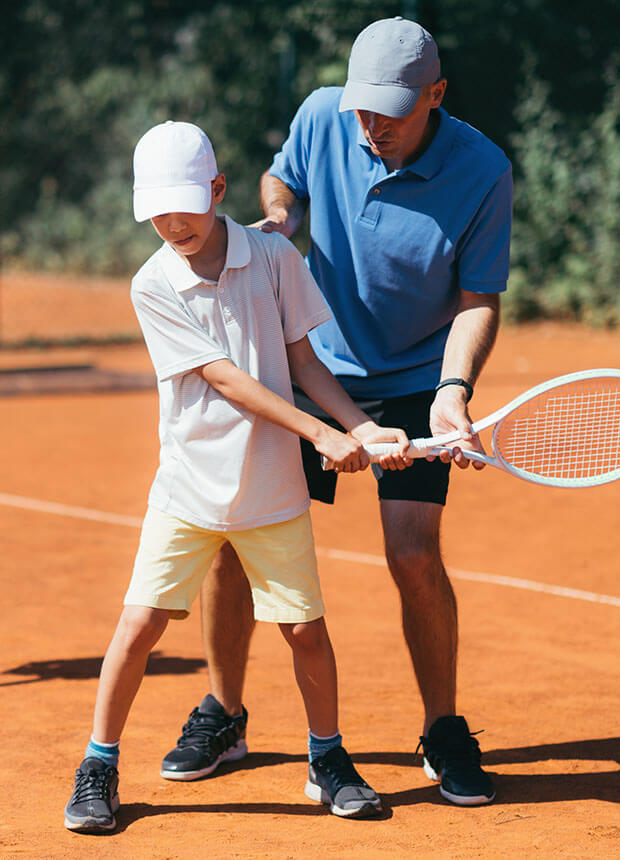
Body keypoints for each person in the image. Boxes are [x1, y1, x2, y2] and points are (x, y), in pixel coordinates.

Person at [160, 18, 512, 807]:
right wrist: (281, 221)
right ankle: (225, 709)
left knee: (413, 554)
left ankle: (443, 727)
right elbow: (282, 181)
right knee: (233, 536)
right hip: (309, 363)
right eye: (361, 107)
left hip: (420, 374)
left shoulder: (483, 169)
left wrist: (454, 390)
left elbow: (478, 299)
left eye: (389, 109)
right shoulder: (325, 113)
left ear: (437, 95)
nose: (369, 124)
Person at [63, 120, 411, 832]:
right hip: (188, 486)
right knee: (141, 624)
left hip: (273, 488)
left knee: (306, 632)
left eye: (185, 205)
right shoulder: (152, 282)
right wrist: (320, 433)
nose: (171, 223)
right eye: (156, 211)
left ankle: (328, 759)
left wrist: (363, 428)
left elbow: (305, 363)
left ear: (218, 189)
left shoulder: (275, 258)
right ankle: (98, 765)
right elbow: (226, 379)